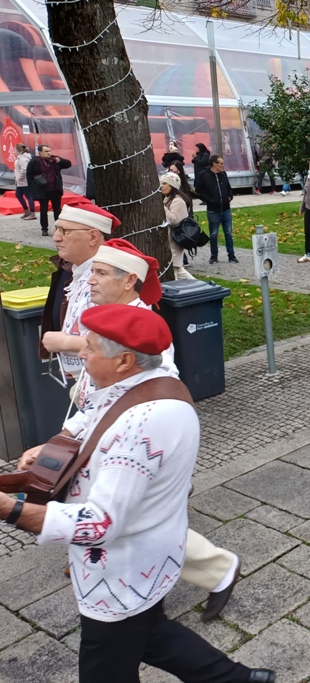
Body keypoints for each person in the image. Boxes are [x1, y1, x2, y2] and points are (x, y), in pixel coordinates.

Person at [4, 305, 273, 683]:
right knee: (151, 636)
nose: (82, 352)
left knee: (107, 667)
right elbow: (94, 415)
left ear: (124, 360)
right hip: (149, 556)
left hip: (120, 572)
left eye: (90, 347)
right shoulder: (153, 382)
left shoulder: (139, 428)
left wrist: (10, 509)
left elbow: (100, 523)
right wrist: (55, 446)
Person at [83, 241, 243, 623]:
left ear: (129, 280)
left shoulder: (143, 327)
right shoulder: (106, 313)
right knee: (126, 518)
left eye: (101, 272)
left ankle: (216, 570)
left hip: (133, 438)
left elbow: (159, 384)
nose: (91, 279)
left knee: (142, 522)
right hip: (105, 426)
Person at [39, 203, 118, 380]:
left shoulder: (114, 277)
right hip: (87, 378)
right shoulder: (73, 269)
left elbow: (121, 342)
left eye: (65, 231)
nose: (56, 237)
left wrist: (66, 343)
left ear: (93, 237)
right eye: (56, 229)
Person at [193, 155, 238, 264]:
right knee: (213, 234)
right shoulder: (204, 175)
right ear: (214, 164)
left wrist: (230, 196)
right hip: (213, 210)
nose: (223, 166)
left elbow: (228, 188)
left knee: (228, 233)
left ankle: (231, 255)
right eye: (221, 163)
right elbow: (198, 191)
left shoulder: (223, 174)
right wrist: (210, 200)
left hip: (226, 209)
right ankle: (214, 256)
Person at [25, 144, 71, 237]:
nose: (49, 153)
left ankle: (59, 228)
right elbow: (29, 174)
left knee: (57, 210)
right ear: (40, 153)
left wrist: (61, 160)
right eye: (46, 151)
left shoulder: (55, 160)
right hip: (43, 190)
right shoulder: (35, 161)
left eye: (49, 151)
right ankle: (44, 229)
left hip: (55, 190)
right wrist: (34, 185)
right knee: (43, 210)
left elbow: (68, 164)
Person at [159, 172, 195, 280]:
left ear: (172, 185)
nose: (161, 186)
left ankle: (199, 287)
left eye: (164, 183)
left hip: (175, 240)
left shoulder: (178, 201)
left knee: (175, 269)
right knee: (178, 270)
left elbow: (173, 219)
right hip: (171, 239)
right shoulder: (168, 199)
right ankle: (201, 287)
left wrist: (162, 207)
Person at [14, 143, 35, 221]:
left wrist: (19, 178)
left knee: (29, 196)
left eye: (15, 150)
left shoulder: (22, 158)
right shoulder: (23, 157)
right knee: (18, 194)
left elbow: (24, 170)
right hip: (21, 182)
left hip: (24, 181)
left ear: (18, 150)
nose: (14, 151)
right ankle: (27, 211)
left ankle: (32, 213)